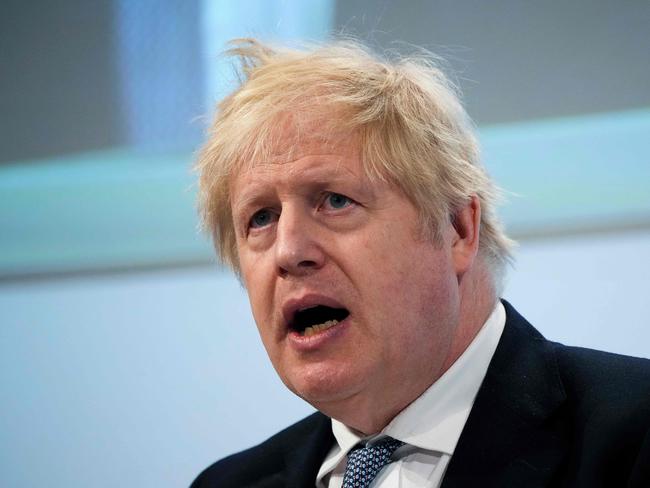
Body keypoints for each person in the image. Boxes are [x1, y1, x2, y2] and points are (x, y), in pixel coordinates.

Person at [191, 38, 650, 487]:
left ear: (456, 229)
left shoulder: (633, 436)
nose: (290, 252)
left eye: (335, 201)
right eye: (261, 218)